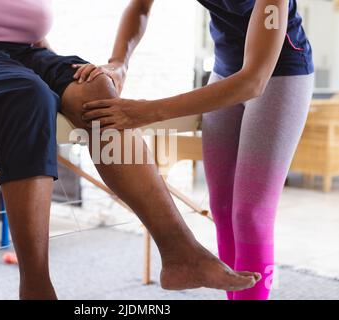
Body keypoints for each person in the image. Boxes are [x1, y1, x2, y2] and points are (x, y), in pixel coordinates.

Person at [0, 0, 260, 300]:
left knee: (97, 89)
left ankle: (180, 252)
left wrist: (64, 78)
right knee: (28, 96)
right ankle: (36, 287)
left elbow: (30, 35)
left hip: (23, 55)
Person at [79, 0, 314, 300]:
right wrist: (118, 63)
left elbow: (254, 81)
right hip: (225, 70)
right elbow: (140, 6)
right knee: (222, 208)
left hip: (280, 74)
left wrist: (147, 112)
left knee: (250, 215)